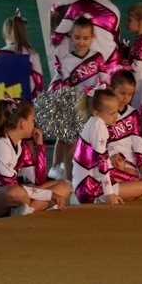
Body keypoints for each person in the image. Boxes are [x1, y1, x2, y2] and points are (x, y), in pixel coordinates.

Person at [0, 97, 71, 218]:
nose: (34, 124)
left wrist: (40, 146)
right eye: (32, 120)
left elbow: (38, 180)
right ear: (23, 123)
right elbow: (10, 186)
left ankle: (27, 210)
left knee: (65, 186)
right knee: (17, 193)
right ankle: (32, 208)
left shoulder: (21, 145)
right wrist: (49, 195)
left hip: (9, 190)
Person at [45, 16, 109, 180]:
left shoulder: (97, 56)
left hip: (92, 107)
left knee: (89, 142)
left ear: (92, 38)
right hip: (74, 107)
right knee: (69, 142)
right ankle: (66, 178)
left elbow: (104, 81)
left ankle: (88, 175)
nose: (81, 41)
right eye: (77, 37)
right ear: (71, 37)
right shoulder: (66, 61)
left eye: (85, 38)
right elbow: (66, 89)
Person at [71, 85, 142, 204]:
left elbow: (107, 168)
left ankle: (105, 195)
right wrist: (109, 194)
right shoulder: (98, 126)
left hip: (88, 183)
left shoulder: (94, 122)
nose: (117, 116)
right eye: (112, 113)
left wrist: (133, 178)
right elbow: (102, 164)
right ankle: (100, 198)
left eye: (117, 111)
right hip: (88, 188)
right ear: (96, 113)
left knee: (138, 184)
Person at [51, 0, 122, 73]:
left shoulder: (80, 5)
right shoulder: (116, 11)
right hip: (109, 67)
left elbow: (57, 36)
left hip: (84, 70)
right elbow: (115, 41)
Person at [107, 70, 142, 179]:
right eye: (122, 93)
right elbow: (100, 139)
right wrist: (111, 154)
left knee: (136, 183)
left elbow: (137, 140)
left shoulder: (133, 113)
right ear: (112, 90)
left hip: (128, 158)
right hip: (110, 157)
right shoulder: (105, 112)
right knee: (117, 178)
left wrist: (141, 162)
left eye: (130, 94)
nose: (126, 98)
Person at [0, 9, 44, 100]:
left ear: (6, 33)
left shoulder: (1, 54)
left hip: (9, 103)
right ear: (24, 32)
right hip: (30, 105)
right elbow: (39, 84)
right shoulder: (33, 53)